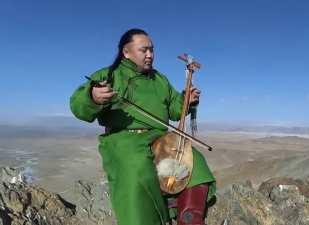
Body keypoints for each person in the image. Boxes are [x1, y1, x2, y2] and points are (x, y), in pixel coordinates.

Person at [70, 28, 216, 225]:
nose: (150, 55)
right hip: (124, 140)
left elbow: (174, 111)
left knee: (194, 161)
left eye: (152, 50)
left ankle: (189, 218)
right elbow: (79, 107)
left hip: (159, 137)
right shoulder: (109, 75)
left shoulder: (159, 80)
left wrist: (186, 100)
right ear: (126, 52)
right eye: (144, 50)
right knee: (138, 168)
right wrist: (93, 97)